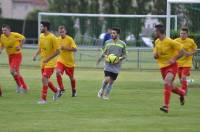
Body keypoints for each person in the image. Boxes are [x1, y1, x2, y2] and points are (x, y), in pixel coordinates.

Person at [153, 24, 186, 113]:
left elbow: (183, 52)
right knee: (169, 86)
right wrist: (155, 55)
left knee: (167, 82)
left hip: (172, 66)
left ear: (159, 32)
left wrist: (174, 59)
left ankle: (166, 106)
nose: (154, 32)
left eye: (155, 31)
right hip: (162, 68)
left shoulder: (170, 41)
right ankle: (182, 93)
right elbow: (155, 55)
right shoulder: (157, 42)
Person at [33, 21, 60, 104]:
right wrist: (35, 55)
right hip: (43, 62)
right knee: (45, 80)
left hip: (51, 62)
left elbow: (58, 51)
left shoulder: (52, 38)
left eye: (41, 27)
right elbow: (40, 48)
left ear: (46, 27)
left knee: (44, 78)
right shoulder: (41, 36)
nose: (40, 28)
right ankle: (56, 91)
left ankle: (43, 99)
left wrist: (48, 59)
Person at [97, 28, 127, 100]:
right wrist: (104, 57)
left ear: (118, 34)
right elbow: (104, 53)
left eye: (114, 33)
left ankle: (106, 95)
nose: (112, 34)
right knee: (107, 79)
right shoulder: (107, 42)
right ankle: (101, 90)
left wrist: (118, 59)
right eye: (111, 33)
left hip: (117, 66)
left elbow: (125, 55)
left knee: (111, 82)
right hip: (108, 64)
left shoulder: (123, 44)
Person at [0, 24, 28, 93]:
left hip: (17, 55)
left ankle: (20, 86)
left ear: (9, 30)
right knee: (16, 73)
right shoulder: (2, 37)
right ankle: (25, 87)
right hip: (10, 56)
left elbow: (23, 38)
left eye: (5, 30)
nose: (3, 31)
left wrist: (20, 46)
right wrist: (0, 49)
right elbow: (2, 44)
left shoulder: (15, 35)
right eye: (2, 30)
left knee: (12, 71)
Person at [56, 26, 77, 97]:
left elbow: (75, 49)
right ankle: (61, 89)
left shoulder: (70, 39)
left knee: (71, 78)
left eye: (63, 32)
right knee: (58, 72)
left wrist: (65, 48)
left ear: (65, 32)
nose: (61, 33)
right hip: (61, 61)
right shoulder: (57, 39)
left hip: (69, 62)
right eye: (60, 32)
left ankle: (74, 90)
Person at [175, 27, 197, 95]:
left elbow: (195, 49)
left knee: (183, 77)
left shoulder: (191, 41)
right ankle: (185, 87)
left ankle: (183, 92)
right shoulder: (176, 41)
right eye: (181, 33)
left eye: (184, 33)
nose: (182, 35)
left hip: (187, 62)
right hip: (178, 63)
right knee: (181, 79)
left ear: (187, 34)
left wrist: (190, 53)